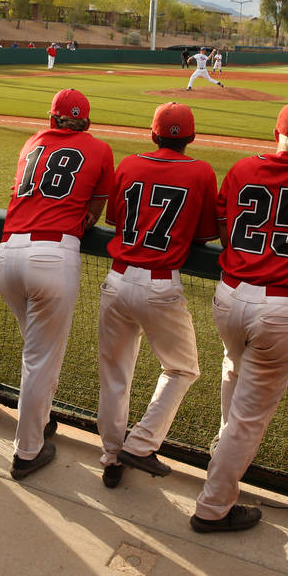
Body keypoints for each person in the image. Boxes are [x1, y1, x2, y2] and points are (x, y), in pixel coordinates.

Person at [190, 101, 288, 534]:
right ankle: (213, 508)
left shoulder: (242, 168)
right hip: (280, 307)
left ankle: (223, 450)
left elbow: (226, 232)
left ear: (275, 132)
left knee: (232, 369)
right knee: (250, 417)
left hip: (229, 295)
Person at [0, 89, 115, 479]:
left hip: (8, 254)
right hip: (52, 255)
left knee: (36, 353)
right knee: (40, 361)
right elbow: (97, 208)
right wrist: (83, 221)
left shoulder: (32, 142)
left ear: (52, 119)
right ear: (87, 122)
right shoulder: (99, 148)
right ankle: (27, 452)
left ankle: (40, 420)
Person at [96, 102, 218, 488]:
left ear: (153, 134)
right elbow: (204, 235)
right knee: (183, 369)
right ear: (192, 138)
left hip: (116, 281)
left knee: (114, 375)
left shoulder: (129, 163)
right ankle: (142, 443)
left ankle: (112, 458)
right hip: (160, 285)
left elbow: (113, 221)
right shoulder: (201, 171)